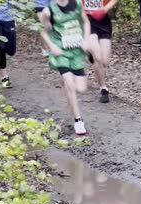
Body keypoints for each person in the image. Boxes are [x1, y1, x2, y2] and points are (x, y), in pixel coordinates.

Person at [40, 0, 91, 135]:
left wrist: (86, 40)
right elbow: (43, 32)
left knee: (81, 88)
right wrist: (52, 46)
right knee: (70, 83)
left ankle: (70, 95)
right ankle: (78, 120)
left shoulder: (78, 4)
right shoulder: (48, 11)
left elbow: (86, 22)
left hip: (77, 52)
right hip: (61, 52)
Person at [82, 0, 119, 104]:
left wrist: (104, 9)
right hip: (88, 21)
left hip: (103, 20)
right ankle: (103, 88)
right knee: (97, 56)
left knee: (104, 61)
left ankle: (90, 53)